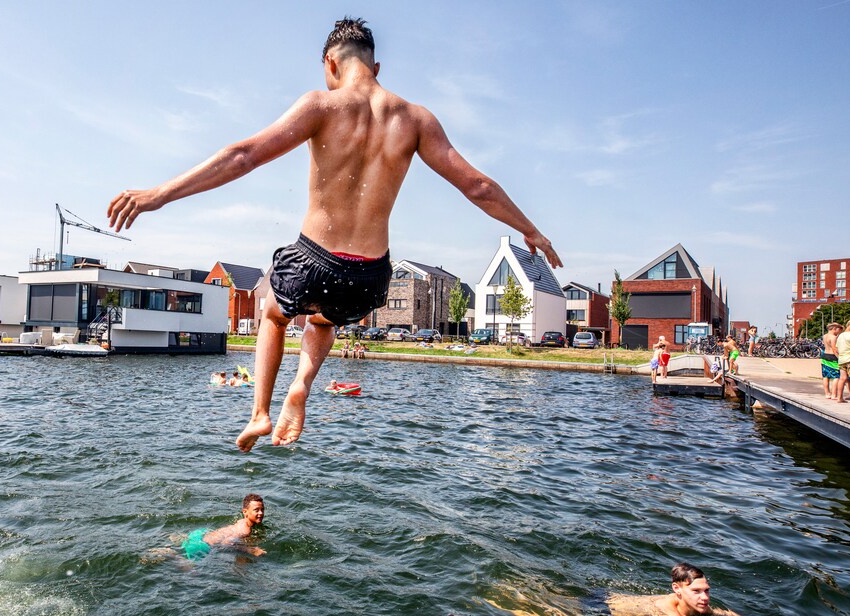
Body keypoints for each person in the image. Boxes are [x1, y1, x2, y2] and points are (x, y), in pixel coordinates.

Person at [108, 18, 561, 452]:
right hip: (371, 275)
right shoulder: (416, 119)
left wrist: (160, 194)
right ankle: (302, 385)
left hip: (314, 258)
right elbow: (477, 185)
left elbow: (242, 156)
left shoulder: (321, 106)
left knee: (272, 314)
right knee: (325, 320)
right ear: (377, 67)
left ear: (329, 64)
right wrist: (530, 229)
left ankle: (261, 411)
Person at [607, 562, 774, 616]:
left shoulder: (699, 606)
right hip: (601, 607)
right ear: (677, 589)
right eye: (696, 591)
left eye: (706, 590)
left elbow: (727, 614)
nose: (704, 597)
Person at [181, 494, 266, 561]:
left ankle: (179, 539)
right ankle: (171, 555)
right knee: (193, 571)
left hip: (200, 534)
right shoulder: (245, 530)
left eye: (262, 509)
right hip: (202, 546)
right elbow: (226, 543)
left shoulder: (241, 522)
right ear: (245, 512)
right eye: (256, 510)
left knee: (186, 543)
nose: (261, 513)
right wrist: (250, 550)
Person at [822, 322, 842, 399]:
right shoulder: (833, 337)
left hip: (825, 356)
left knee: (825, 376)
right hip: (832, 357)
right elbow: (834, 348)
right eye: (838, 329)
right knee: (836, 376)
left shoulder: (824, 336)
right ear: (834, 328)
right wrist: (839, 358)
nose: (839, 331)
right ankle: (834, 395)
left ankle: (827, 393)